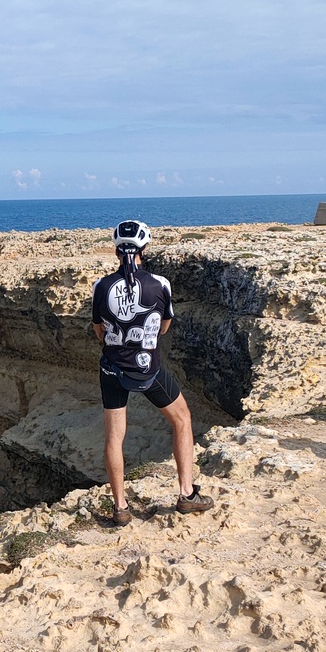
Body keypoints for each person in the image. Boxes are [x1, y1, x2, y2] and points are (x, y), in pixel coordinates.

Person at [92, 220, 214, 521]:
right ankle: (186, 493)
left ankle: (120, 508)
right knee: (182, 420)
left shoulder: (102, 286)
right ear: (144, 248)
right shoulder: (159, 284)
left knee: (114, 437)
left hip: (112, 370)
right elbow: (163, 327)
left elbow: (99, 331)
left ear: (116, 249)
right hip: (148, 370)